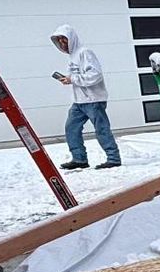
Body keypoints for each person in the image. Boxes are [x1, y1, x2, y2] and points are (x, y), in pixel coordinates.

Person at [50, 24, 121, 169]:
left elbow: (95, 75)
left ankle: (113, 159)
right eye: (59, 41)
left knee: (102, 129)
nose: (62, 44)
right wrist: (69, 79)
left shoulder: (85, 52)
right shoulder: (73, 56)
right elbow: (80, 76)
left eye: (64, 40)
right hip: (79, 101)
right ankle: (79, 159)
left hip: (94, 100)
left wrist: (73, 79)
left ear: (71, 39)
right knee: (71, 128)